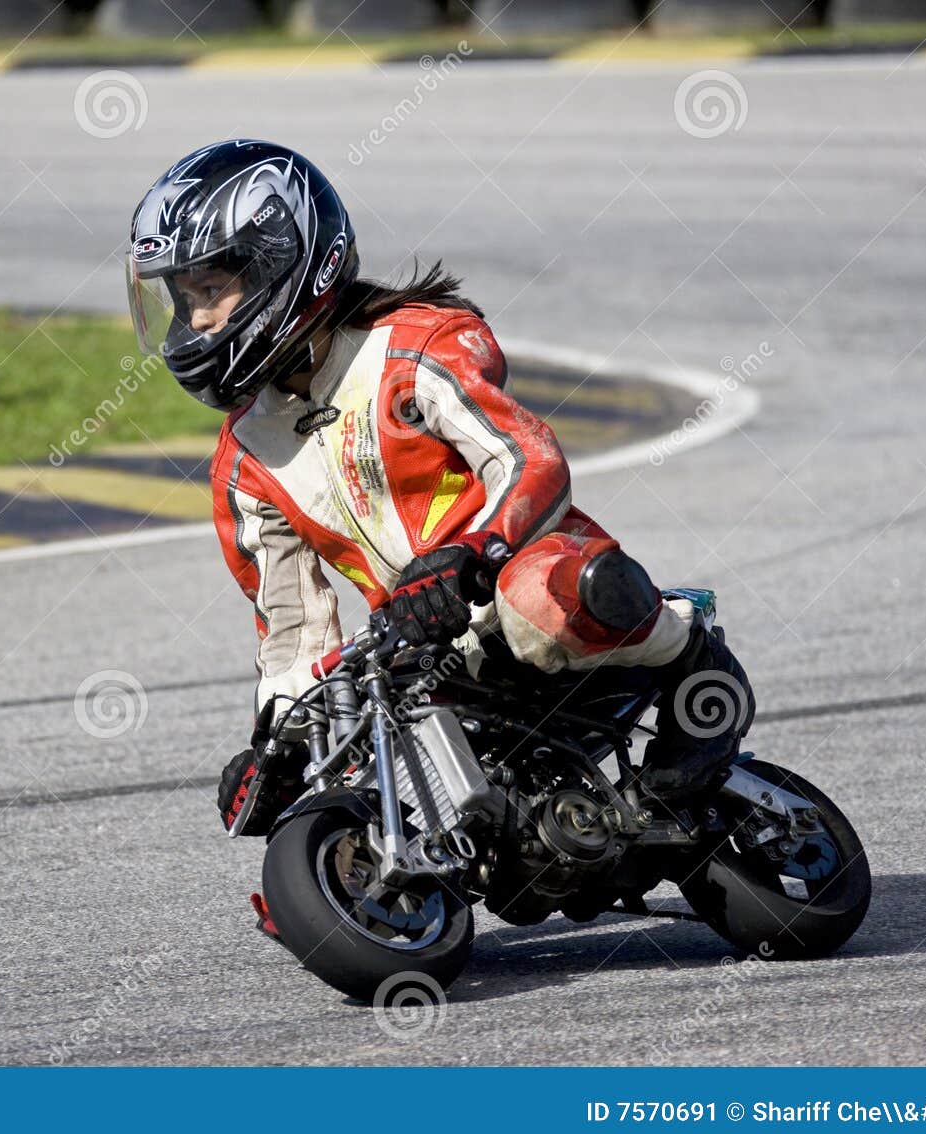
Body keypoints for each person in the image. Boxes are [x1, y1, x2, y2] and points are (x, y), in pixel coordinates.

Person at [125, 139, 754, 843]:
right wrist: (276, 746)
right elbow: (292, 633)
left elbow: (528, 460)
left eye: (211, 292)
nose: (197, 322)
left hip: (512, 566)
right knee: (347, 727)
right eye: (184, 300)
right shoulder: (245, 459)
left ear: (284, 265)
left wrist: (472, 554)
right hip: (419, 635)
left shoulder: (415, 346)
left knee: (535, 599)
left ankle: (691, 654)